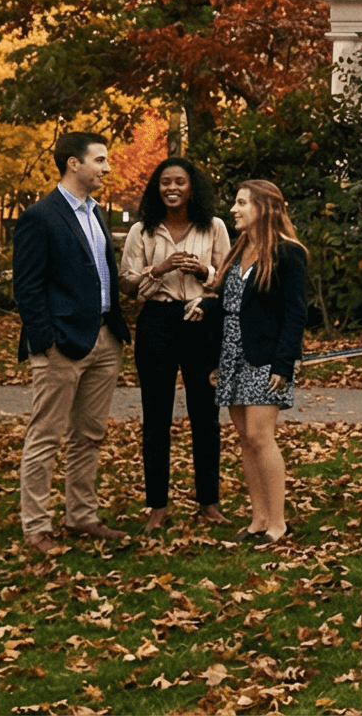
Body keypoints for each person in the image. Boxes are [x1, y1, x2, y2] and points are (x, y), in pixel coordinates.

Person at [14, 130, 130, 556]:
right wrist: (44, 340)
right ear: (73, 164)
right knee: (46, 435)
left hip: (105, 338)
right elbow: (27, 287)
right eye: (99, 160)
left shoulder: (96, 213)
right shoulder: (40, 216)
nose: (107, 167)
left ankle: (81, 516)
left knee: (90, 435)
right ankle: (36, 527)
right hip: (60, 343)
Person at [123, 156, 229, 529]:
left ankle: (209, 502)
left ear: (191, 187)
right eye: (165, 182)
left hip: (200, 319)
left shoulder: (213, 227)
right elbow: (127, 283)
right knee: (156, 416)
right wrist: (160, 268)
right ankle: (157, 507)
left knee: (206, 415)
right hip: (157, 321)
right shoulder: (143, 230)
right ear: (157, 188)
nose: (171, 188)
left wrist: (203, 271)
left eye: (179, 182)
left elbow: (226, 279)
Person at [217, 178, 308, 546]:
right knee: (244, 439)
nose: (234, 209)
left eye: (241, 203)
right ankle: (258, 519)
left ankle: (278, 523)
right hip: (232, 354)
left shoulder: (288, 253)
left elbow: (295, 313)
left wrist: (283, 365)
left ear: (263, 208)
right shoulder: (239, 250)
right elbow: (231, 305)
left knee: (260, 436)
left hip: (266, 357)